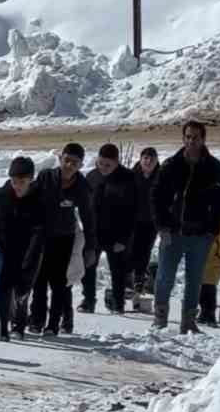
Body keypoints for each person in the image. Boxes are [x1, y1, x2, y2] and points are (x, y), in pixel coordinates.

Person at [152, 119, 220, 333]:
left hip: (200, 235)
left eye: (195, 137)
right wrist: (162, 226)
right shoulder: (170, 166)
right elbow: (157, 197)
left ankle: (188, 321)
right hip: (173, 232)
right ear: (183, 138)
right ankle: (160, 319)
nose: (191, 141)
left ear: (203, 139)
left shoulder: (215, 169)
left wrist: (213, 231)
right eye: (187, 137)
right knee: (164, 277)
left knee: (194, 280)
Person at [30, 143, 97, 337]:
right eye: (66, 160)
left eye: (74, 163)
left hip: (64, 238)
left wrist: (90, 247)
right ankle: (36, 320)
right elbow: (29, 199)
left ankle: (53, 324)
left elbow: (88, 217)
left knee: (59, 283)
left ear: (80, 165)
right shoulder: (46, 177)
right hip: (42, 236)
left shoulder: (81, 186)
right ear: (60, 159)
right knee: (39, 281)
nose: (69, 165)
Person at [0, 155, 45, 340]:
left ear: (31, 179)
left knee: (22, 289)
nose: (17, 185)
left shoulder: (38, 200)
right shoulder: (0, 195)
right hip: (1, 249)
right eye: (14, 181)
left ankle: (18, 325)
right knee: (2, 288)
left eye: (22, 181)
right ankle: (0, 328)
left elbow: (39, 231)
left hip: (26, 251)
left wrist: (32, 255)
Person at [80, 144, 136, 314]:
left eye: (108, 165)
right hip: (94, 231)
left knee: (118, 270)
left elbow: (133, 211)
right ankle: (88, 300)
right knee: (88, 267)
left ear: (117, 162)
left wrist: (124, 239)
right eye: (101, 163)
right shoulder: (91, 176)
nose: (103, 168)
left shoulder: (128, 178)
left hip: (117, 233)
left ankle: (118, 303)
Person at [130, 147, 160, 309]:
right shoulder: (132, 175)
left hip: (151, 221)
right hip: (133, 220)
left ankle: (140, 281)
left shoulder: (161, 176)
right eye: (145, 158)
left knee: (145, 250)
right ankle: (130, 279)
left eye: (151, 159)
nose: (148, 162)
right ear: (141, 160)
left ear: (156, 161)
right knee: (132, 249)